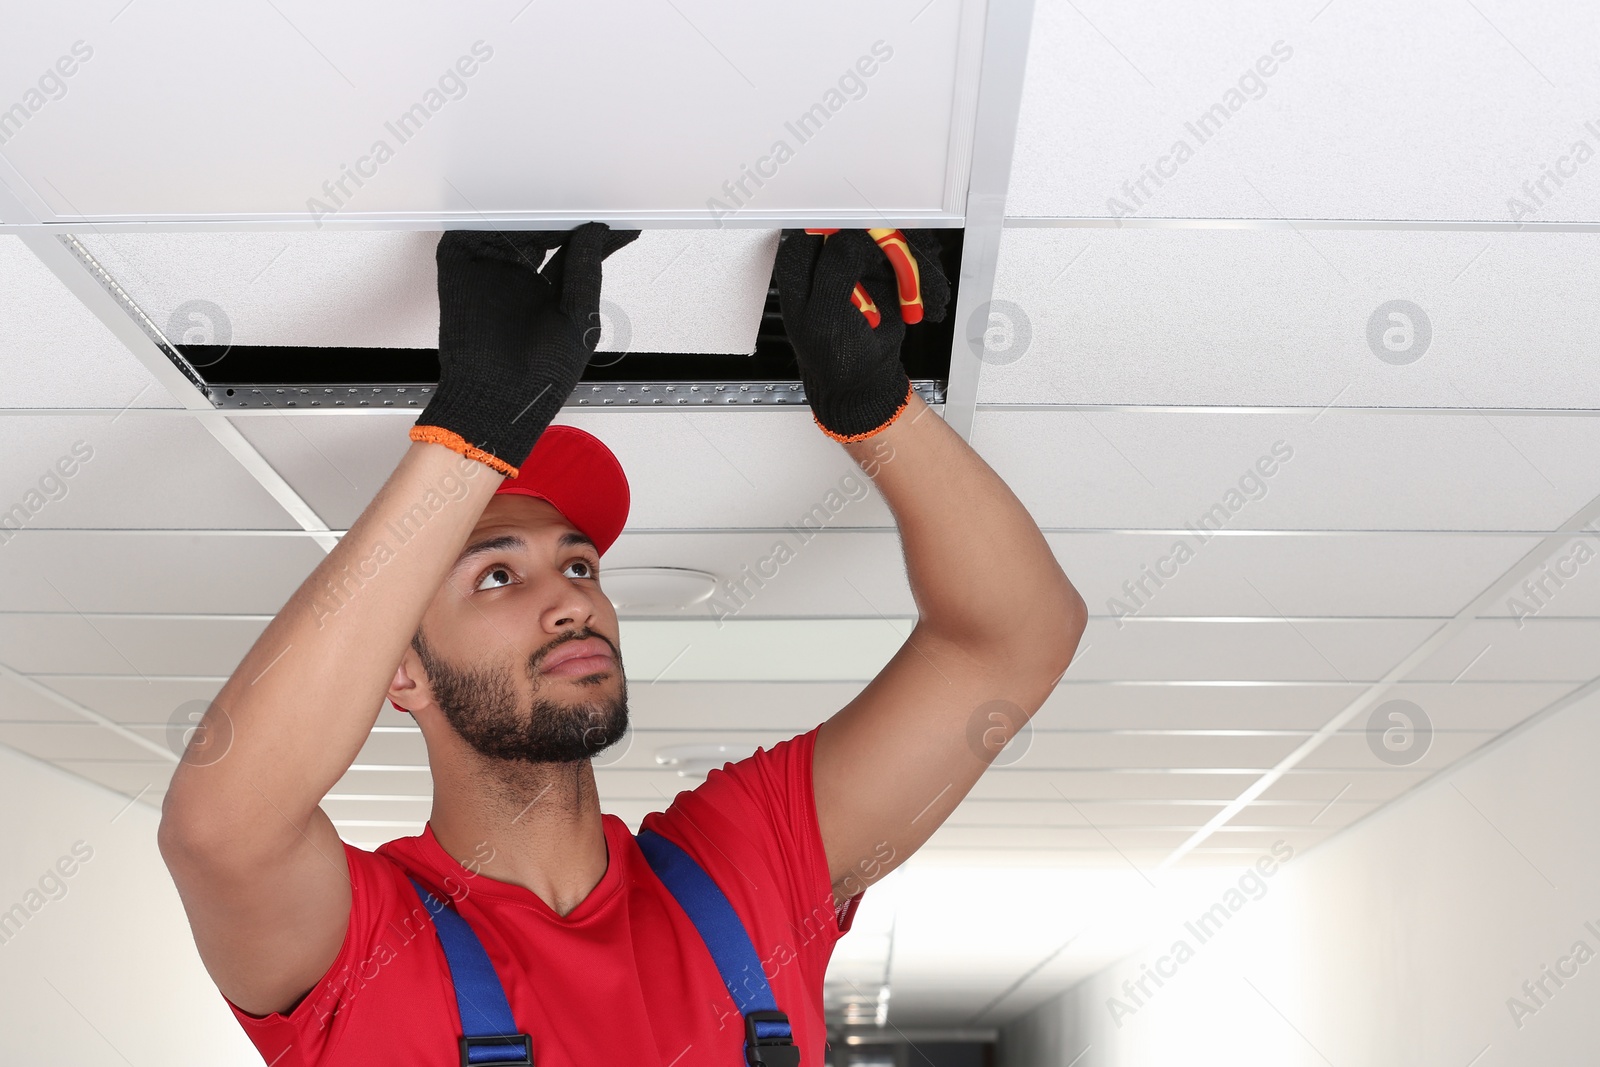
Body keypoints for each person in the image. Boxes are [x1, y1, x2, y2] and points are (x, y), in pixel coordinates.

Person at [158, 224, 1087, 1066]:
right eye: (496, 574)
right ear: (397, 671)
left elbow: (1016, 637)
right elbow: (220, 827)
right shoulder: (366, 946)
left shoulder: (745, 868)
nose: (569, 599)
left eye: (580, 567)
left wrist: (875, 408)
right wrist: (473, 429)